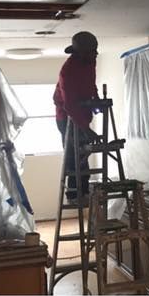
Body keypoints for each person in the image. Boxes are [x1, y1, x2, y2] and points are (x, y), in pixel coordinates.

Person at [53, 31, 100, 204]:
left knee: (84, 152)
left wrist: (96, 100)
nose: (95, 54)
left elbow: (91, 83)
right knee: (74, 155)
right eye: (92, 51)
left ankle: (84, 191)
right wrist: (86, 129)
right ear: (80, 52)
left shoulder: (90, 61)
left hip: (82, 114)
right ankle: (73, 195)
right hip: (67, 117)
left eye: (95, 50)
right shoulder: (68, 72)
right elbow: (70, 105)